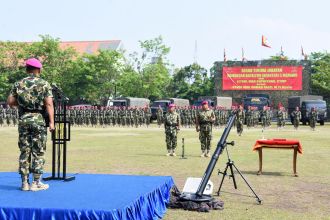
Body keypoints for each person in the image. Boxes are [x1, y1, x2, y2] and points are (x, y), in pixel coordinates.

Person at [7, 58, 54, 191]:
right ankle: (36, 183)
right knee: (38, 151)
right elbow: (49, 104)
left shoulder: (18, 83)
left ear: (27, 69)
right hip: (38, 119)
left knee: (24, 151)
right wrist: (51, 122)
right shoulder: (44, 84)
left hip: (24, 119)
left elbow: (10, 101)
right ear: (38, 69)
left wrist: (22, 104)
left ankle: (24, 183)